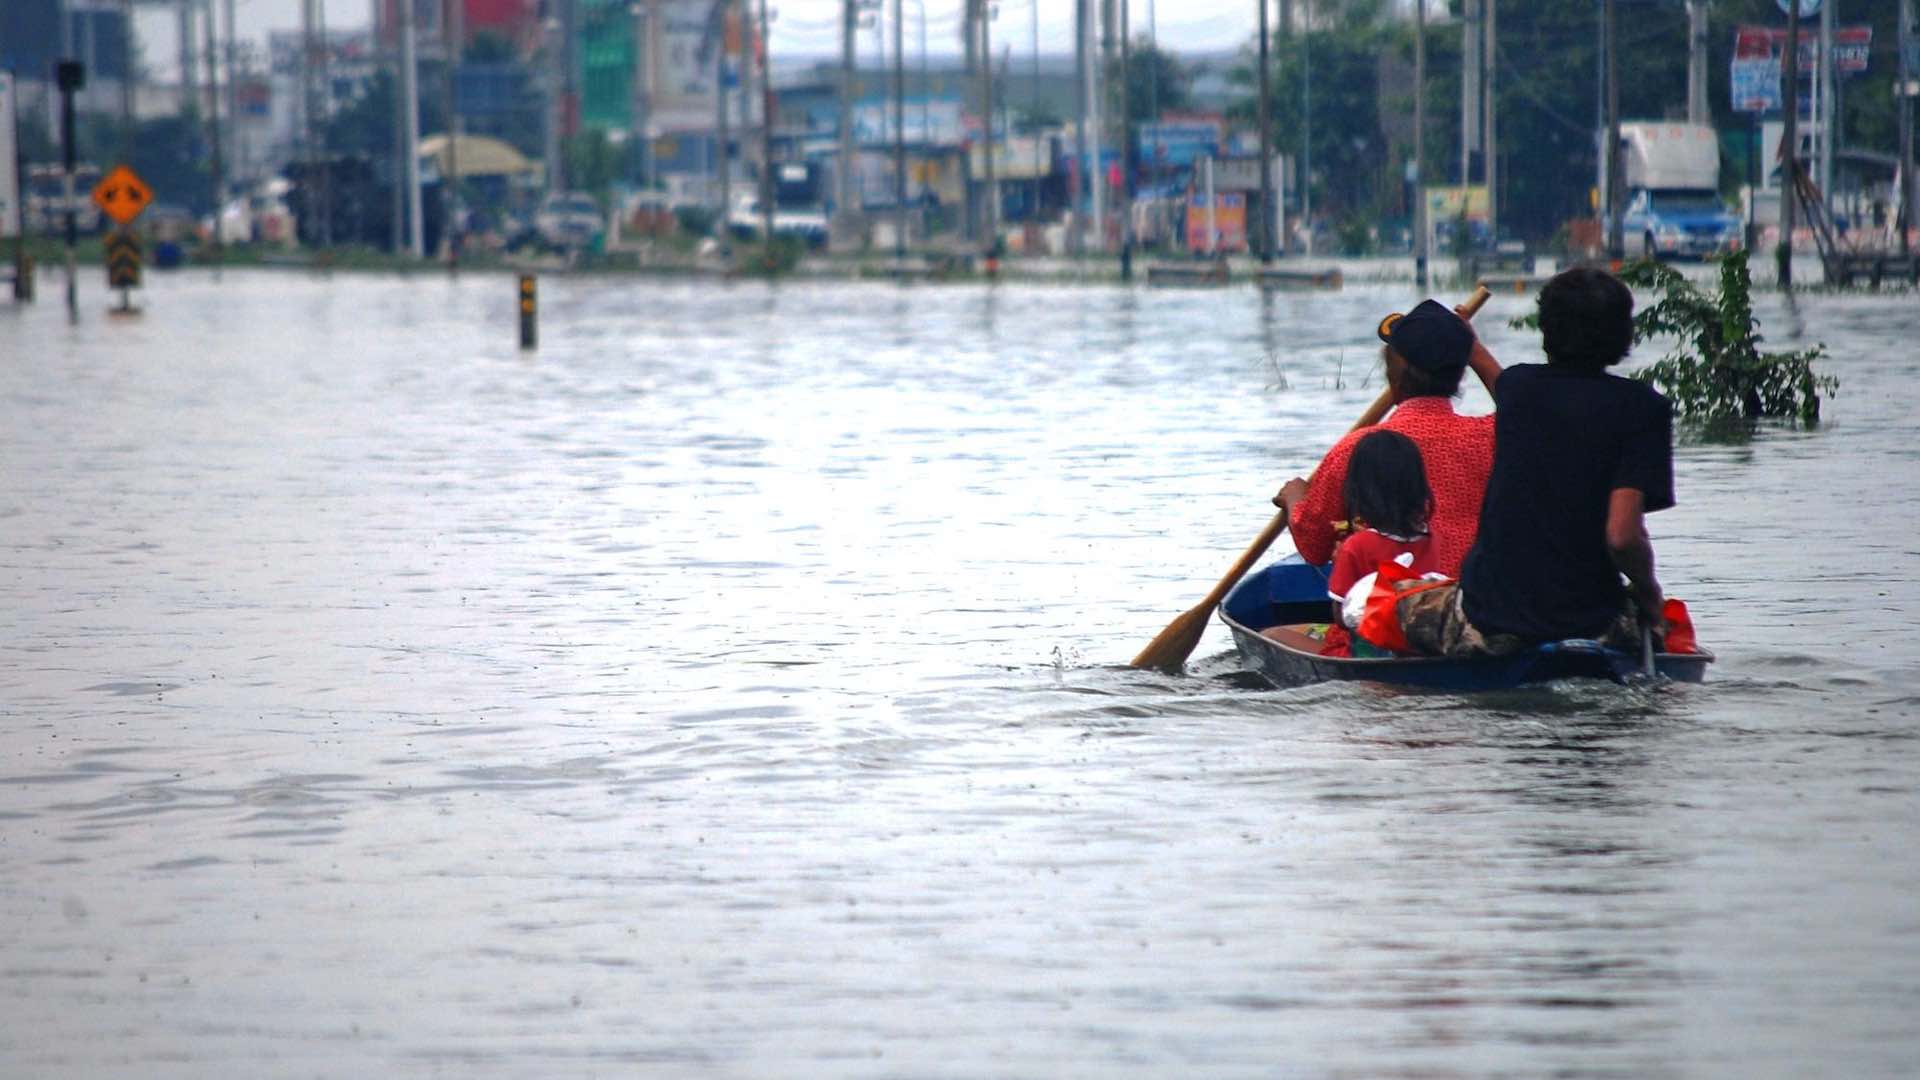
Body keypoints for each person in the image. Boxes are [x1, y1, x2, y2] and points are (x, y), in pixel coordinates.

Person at [1398, 267, 1673, 656]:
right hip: (1592, 622)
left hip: (1488, 618)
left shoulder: (1519, 391)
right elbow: (1625, 537)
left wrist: (1467, 341)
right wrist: (1649, 592)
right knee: (1656, 625)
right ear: (1623, 335)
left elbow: (1620, 534)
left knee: (1394, 601)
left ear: (1546, 330)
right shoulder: (1645, 409)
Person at [1273, 298, 1503, 579]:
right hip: (1475, 609)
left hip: (1391, 616)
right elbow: (1524, 411)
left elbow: (1313, 545)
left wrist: (1294, 500)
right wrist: (1474, 350)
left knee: (1280, 628)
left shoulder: (1359, 448)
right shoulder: (1495, 436)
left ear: (1396, 370)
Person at [1316, 429, 1439, 657]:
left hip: (1367, 651)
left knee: (1275, 635)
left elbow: (1342, 617)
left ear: (1358, 490)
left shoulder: (1356, 546)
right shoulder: (1433, 539)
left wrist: (1339, 562)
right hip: (1421, 647)